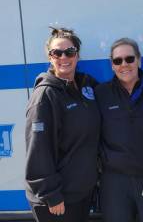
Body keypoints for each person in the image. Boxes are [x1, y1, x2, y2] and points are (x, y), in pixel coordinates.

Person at [25, 27, 100, 222]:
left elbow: (116, 90)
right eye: (57, 53)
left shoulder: (85, 85)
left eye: (69, 52)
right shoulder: (45, 96)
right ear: (50, 57)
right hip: (57, 199)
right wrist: (51, 194)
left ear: (77, 55)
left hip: (80, 193)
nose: (63, 57)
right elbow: (38, 150)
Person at [95, 37, 143, 222]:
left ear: (139, 60)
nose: (124, 64)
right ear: (112, 65)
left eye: (129, 59)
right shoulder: (100, 93)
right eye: (117, 60)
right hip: (114, 184)